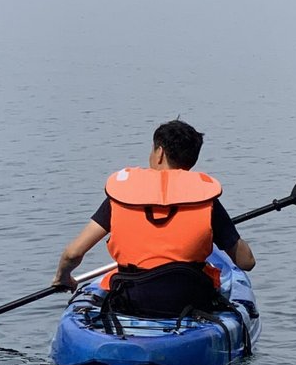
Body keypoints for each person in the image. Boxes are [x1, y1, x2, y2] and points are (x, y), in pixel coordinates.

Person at [52, 119, 256, 317]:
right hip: (189, 300)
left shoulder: (123, 196)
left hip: (131, 300)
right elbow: (246, 262)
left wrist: (63, 277)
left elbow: (72, 254)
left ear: (160, 153)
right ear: (192, 159)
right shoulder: (206, 199)